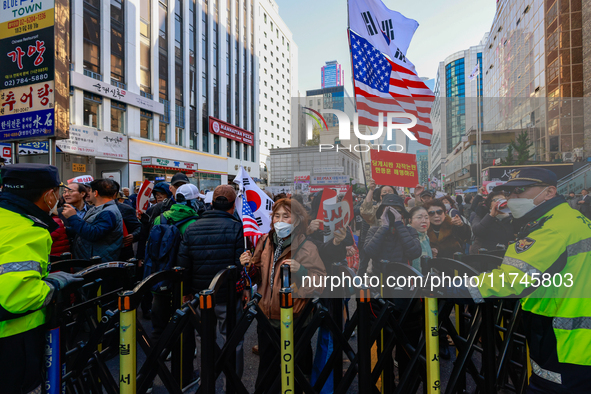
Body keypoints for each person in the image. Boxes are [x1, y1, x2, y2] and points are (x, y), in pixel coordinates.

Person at [452, 168, 591, 393]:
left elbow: (511, 279)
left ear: (550, 192)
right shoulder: (572, 219)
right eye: (509, 192)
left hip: (566, 340)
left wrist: (453, 289)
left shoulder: (552, 228)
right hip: (572, 334)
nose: (512, 198)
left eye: (520, 191)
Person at [0, 164, 83, 394]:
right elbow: (18, 296)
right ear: (48, 195)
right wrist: (54, 285)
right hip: (13, 338)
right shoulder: (27, 228)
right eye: (58, 191)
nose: (60, 197)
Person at [239, 199, 326, 393]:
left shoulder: (307, 246)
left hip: (295, 320)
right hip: (266, 318)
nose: (280, 220)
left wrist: (302, 271)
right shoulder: (266, 240)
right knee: (267, 371)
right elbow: (257, 274)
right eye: (276, 216)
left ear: (297, 220)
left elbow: (320, 282)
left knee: (296, 371)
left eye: (286, 216)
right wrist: (249, 266)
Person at [178, 184, 244, 381]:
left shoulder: (192, 227)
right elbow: (238, 265)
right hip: (228, 295)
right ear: (233, 206)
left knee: (203, 338)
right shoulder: (235, 226)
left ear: (211, 202)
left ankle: (207, 380)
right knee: (232, 339)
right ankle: (233, 381)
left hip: (200, 295)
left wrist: (187, 290)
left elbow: (184, 263)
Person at [62, 179, 123, 262]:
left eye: (90, 190)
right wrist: (66, 229)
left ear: (96, 193)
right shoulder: (97, 208)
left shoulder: (108, 212)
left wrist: (73, 217)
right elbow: (87, 227)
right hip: (90, 259)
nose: (88, 193)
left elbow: (93, 233)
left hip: (97, 262)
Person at [407, 206, 435, 271]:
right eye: (419, 217)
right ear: (410, 220)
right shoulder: (407, 237)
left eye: (426, 217)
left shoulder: (426, 237)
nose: (424, 221)